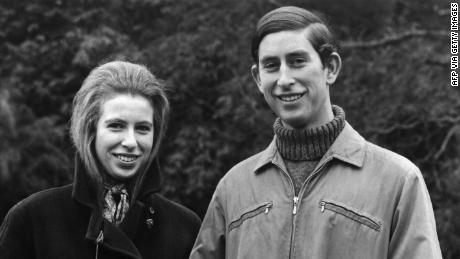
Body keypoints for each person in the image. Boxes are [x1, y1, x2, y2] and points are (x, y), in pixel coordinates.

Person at [189, 6, 442, 259]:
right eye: (271, 65)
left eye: (297, 61)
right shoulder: (233, 188)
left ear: (330, 68)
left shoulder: (397, 181)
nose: (284, 78)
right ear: (257, 78)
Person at [0, 61, 201, 259]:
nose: (131, 141)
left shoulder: (184, 228)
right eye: (116, 125)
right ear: (91, 129)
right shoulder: (33, 220)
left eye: (142, 128)